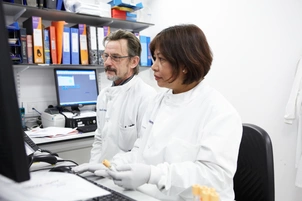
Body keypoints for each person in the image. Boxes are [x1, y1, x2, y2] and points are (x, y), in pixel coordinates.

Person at [74, 24, 242, 201]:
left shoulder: (219, 112)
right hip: (151, 195)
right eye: (154, 58)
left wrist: (153, 174)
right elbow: (139, 151)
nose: (154, 67)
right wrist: (110, 167)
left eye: (161, 59)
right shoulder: (158, 102)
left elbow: (214, 175)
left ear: (184, 64)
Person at [74, 29, 157, 171]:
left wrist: (110, 169)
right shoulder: (104, 95)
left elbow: (143, 149)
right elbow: (99, 139)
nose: (107, 62)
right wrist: (92, 167)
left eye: (115, 57)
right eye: (106, 56)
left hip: (127, 175)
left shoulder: (147, 97)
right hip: (101, 172)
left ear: (133, 61)